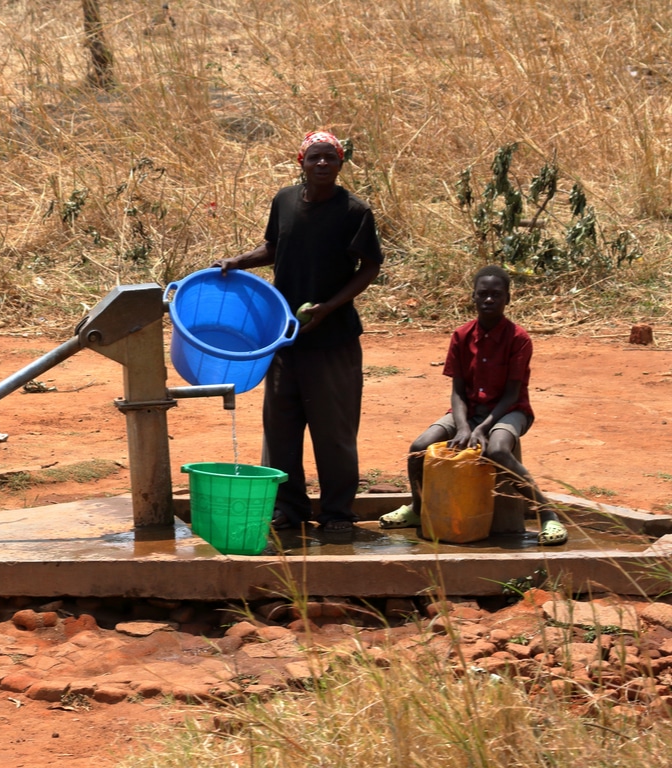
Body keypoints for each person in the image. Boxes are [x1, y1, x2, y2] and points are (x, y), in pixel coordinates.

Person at [214, 129, 383, 532]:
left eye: (330, 158)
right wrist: (237, 261)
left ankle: (337, 514)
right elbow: (274, 247)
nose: (322, 164)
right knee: (281, 428)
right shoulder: (285, 201)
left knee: (334, 432)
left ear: (341, 164)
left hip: (333, 339)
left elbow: (370, 266)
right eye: (315, 158)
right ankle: (288, 510)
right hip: (284, 336)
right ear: (301, 163)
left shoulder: (353, 212)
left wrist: (328, 307)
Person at [378, 265, 568, 546]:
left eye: (496, 295)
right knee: (419, 447)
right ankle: (418, 508)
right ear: (473, 297)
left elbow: (512, 393)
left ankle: (548, 514)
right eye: (483, 294)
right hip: (467, 410)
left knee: (497, 449)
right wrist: (464, 426)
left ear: (508, 299)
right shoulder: (462, 336)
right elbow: (456, 391)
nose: (489, 300)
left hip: (510, 410)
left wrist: (482, 428)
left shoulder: (518, 339)